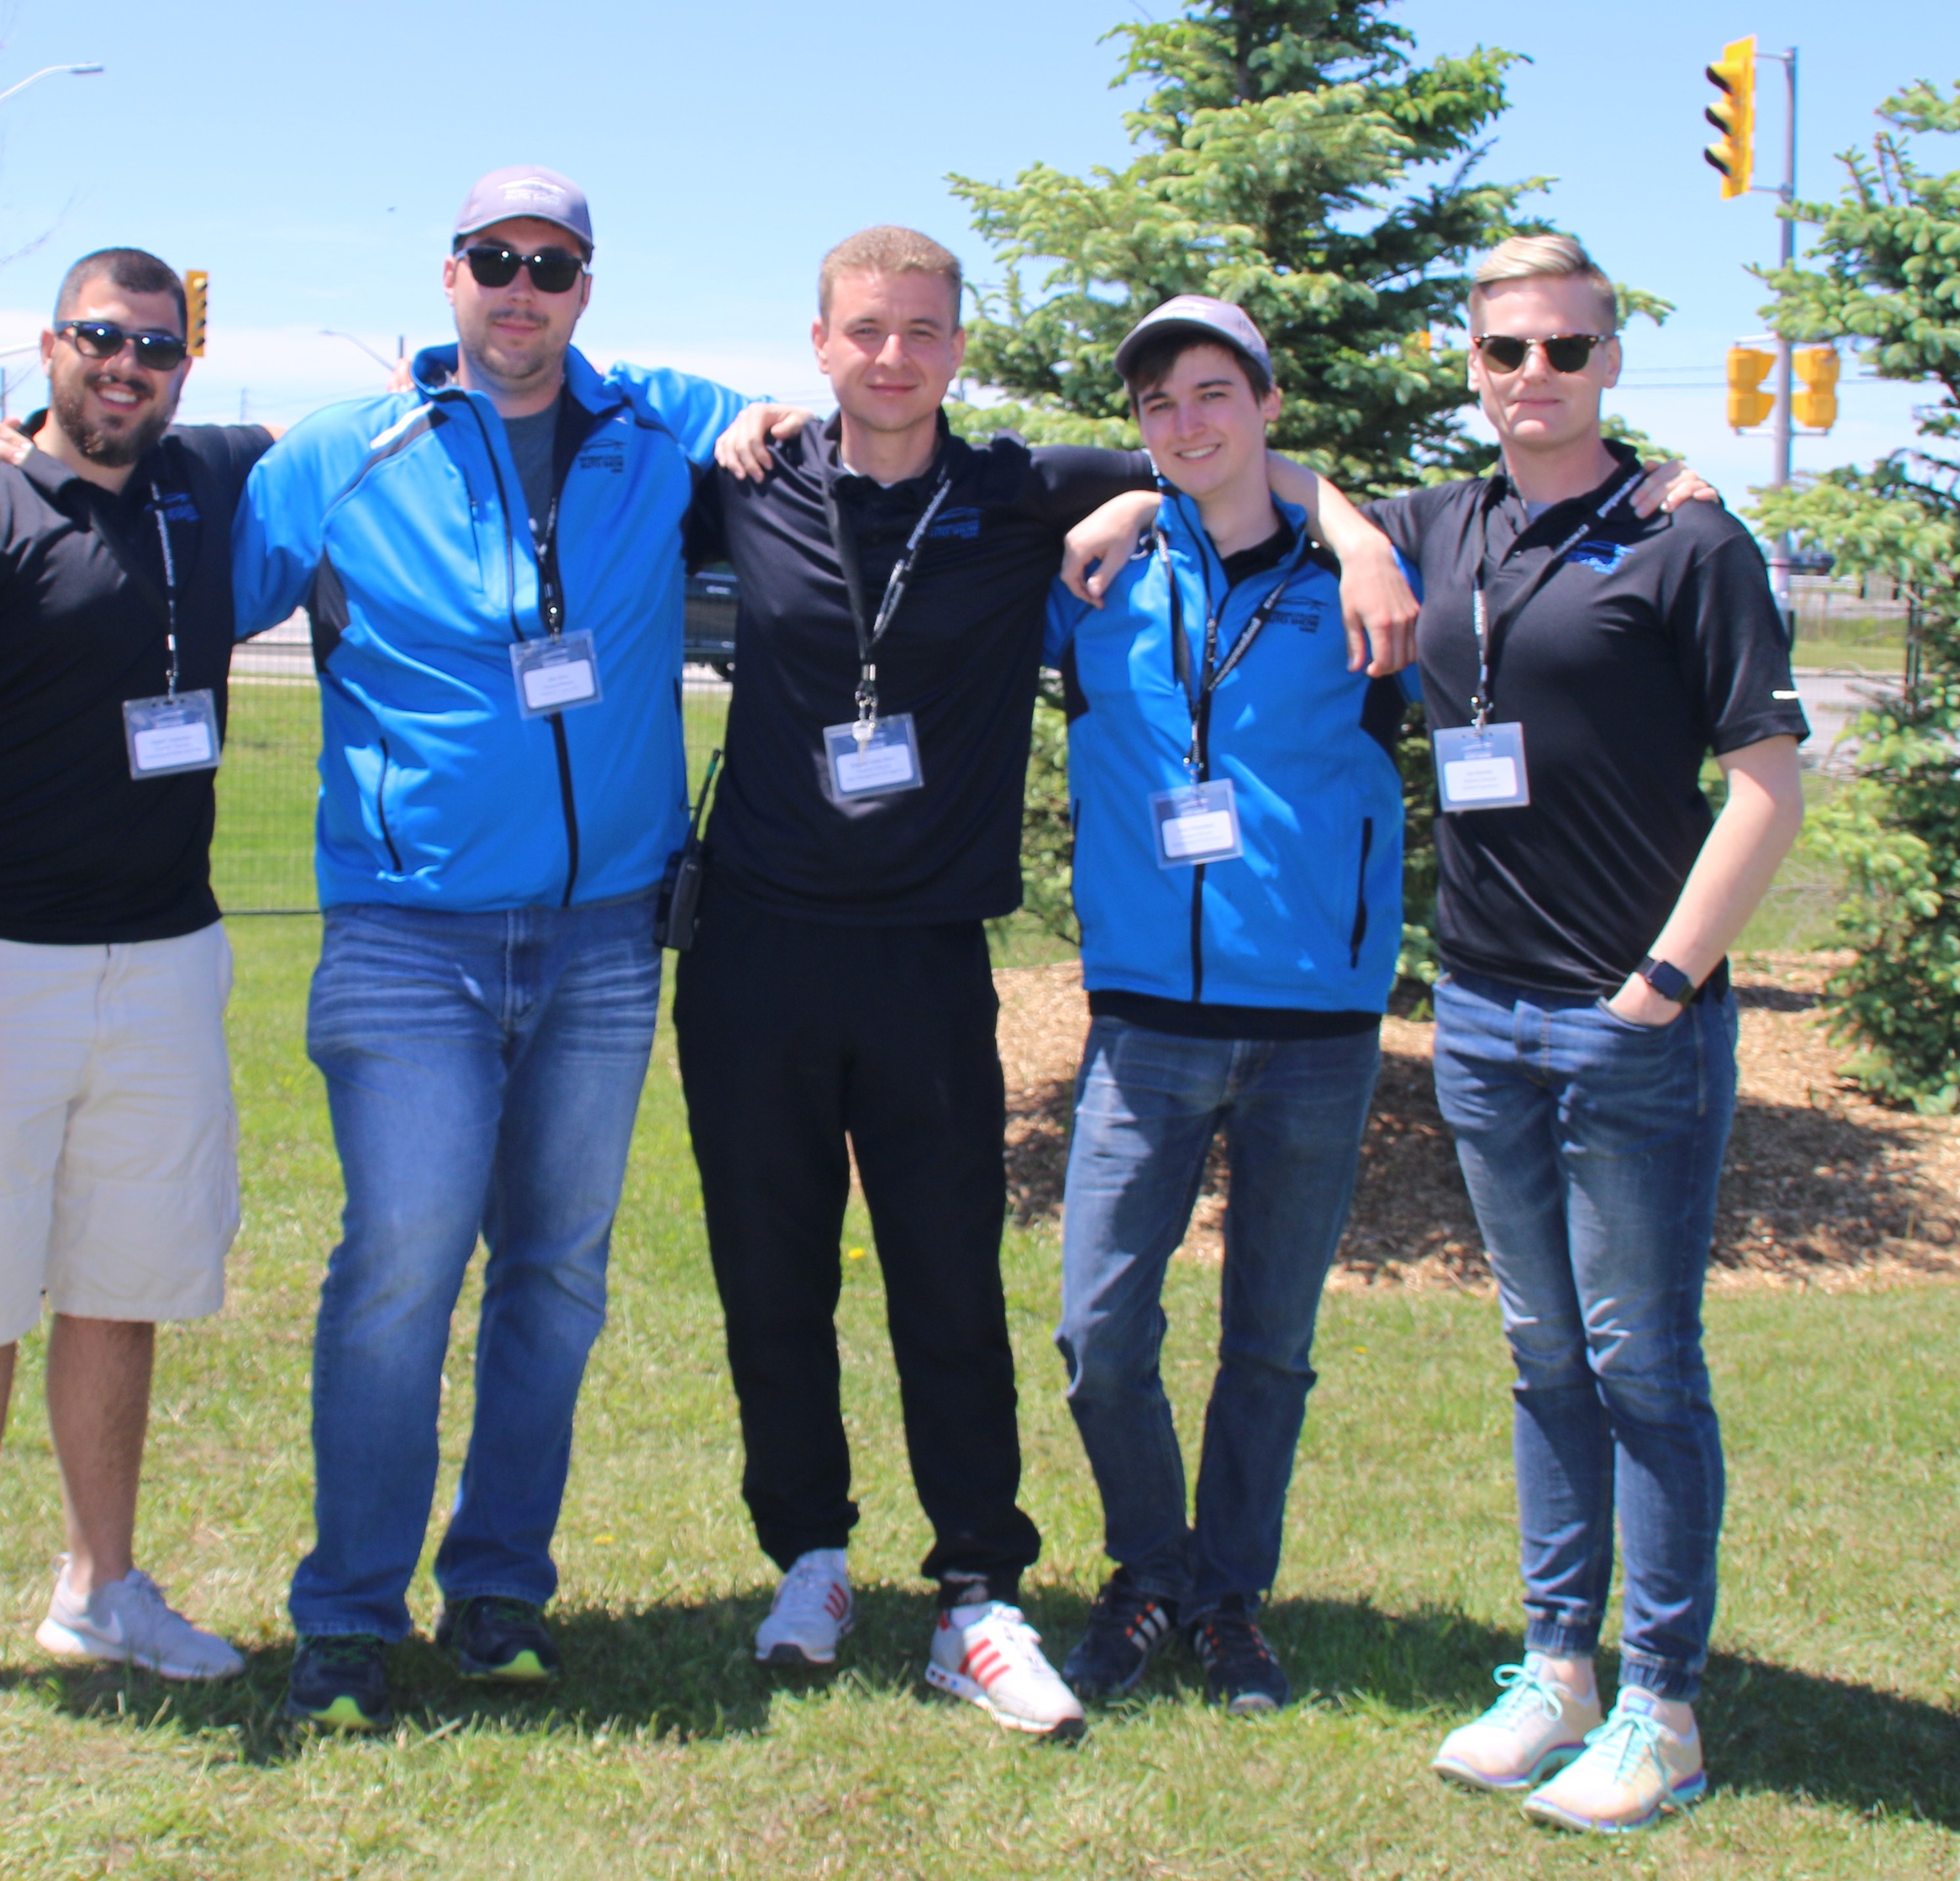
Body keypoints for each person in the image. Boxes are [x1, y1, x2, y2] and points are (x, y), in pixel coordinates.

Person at [675, 228, 1417, 1741]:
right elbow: (581, 437)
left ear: (959, 346)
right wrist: (729, 418)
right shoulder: (743, 480)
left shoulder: (1026, 488)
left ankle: (975, 1587)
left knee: (949, 1277)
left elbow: (1235, 462)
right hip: (757, 946)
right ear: (818, 344)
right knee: (771, 1274)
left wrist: (1358, 535)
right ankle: (811, 1553)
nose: (894, 356)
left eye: (923, 330)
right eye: (866, 330)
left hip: (929, 953)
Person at [230, 166, 768, 1732]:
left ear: (586, 287)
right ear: (449, 274)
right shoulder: (343, 452)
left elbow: (821, 426)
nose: (521, 287)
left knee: (557, 1274)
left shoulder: (657, 426)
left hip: (605, 942)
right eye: (494, 259)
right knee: (401, 1264)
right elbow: (177, 571)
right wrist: (26, 446)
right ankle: (348, 1613)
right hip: (410, 938)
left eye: (553, 264)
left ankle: (498, 1589)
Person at [1369, 234, 1807, 1832]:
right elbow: (1265, 474)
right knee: (1542, 1353)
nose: (1535, 375)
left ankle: (1661, 1706)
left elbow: (1768, 787)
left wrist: (1664, 985)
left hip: (1631, 1023)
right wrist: (1128, 507)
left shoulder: (1689, 539)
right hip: (1483, 1013)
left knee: (1644, 1364)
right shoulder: (1443, 523)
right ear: (1472, 363)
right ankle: (1557, 1665)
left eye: (1566, 347)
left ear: (1612, 360)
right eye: (1506, 350)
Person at [0, 247, 268, 1733]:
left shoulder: (209, 479)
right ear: (48, 347)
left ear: (184, 365)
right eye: (100, 338)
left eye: (155, 346)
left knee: (118, 1286)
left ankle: (102, 1585)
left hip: (161, 961)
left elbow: (398, 417)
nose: (125, 366)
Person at [1036, 297, 1416, 1719]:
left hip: (1316, 1023)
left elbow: (1531, 502)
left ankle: (1228, 1597)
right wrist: (1138, 494)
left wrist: (1352, 526)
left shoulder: (1369, 576)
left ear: (1267, 403)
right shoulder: (1094, 576)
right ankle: (1149, 1568)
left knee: (1269, 1343)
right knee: (1098, 1334)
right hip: (1147, 1019)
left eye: (1213, 392)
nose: (1186, 422)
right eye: (1158, 404)